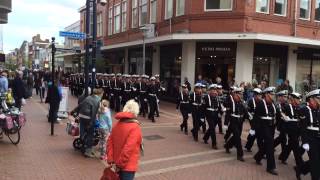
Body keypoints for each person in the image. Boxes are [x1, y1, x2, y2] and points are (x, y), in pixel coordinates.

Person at [106, 100, 143, 180]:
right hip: (127, 166)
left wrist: (111, 160)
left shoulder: (117, 124)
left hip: (115, 163)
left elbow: (109, 142)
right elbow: (128, 149)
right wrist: (119, 165)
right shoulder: (135, 127)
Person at [253, 87, 278, 175]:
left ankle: (257, 157)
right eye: (271, 94)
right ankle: (271, 167)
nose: (273, 96)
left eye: (273, 94)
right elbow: (255, 118)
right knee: (270, 145)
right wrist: (254, 129)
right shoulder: (260, 104)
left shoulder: (273, 104)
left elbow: (276, 116)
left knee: (266, 144)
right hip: (262, 127)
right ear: (267, 94)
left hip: (271, 127)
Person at [71, 88, 103, 157]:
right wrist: (92, 122)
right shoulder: (97, 100)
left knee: (83, 132)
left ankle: (82, 145)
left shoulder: (88, 97)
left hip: (82, 116)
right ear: (100, 94)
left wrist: (73, 111)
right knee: (90, 134)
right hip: (88, 117)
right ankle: (87, 151)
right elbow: (94, 112)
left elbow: (81, 105)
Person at [279, 92, 304, 179]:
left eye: (299, 99)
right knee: (296, 147)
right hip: (290, 130)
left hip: (297, 130)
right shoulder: (286, 107)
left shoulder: (299, 108)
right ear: (293, 99)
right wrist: (285, 118)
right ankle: (300, 165)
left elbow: (301, 120)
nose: (299, 101)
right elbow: (282, 116)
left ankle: (283, 156)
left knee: (291, 145)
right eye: (297, 99)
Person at [299, 89, 320, 180]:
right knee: (315, 161)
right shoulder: (304, 110)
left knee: (316, 160)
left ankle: (300, 169)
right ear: (311, 99)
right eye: (318, 99)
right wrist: (305, 142)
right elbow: (303, 128)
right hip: (310, 138)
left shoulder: (318, 110)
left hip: (318, 137)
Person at [224, 87, 247, 162]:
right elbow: (227, 113)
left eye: (241, 94)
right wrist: (226, 123)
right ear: (235, 94)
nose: (241, 95)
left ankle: (227, 145)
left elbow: (245, 112)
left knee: (236, 136)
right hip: (233, 120)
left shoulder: (242, 102)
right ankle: (240, 155)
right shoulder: (231, 102)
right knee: (237, 138)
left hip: (240, 121)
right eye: (239, 94)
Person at [203, 84, 221, 149]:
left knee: (211, 127)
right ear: (210, 90)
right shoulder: (206, 97)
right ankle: (214, 144)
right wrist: (202, 117)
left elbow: (219, 106)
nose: (214, 91)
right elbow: (203, 108)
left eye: (215, 90)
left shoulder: (217, 97)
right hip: (209, 114)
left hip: (216, 114)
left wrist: (220, 113)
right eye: (213, 90)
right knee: (213, 129)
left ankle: (205, 137)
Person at [244, 88, 262, 152]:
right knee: (258, 134)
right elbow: (247, 111)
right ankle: (261, 151)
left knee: (254, 134)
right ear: (255, 95)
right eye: (258, 95)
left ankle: (248, 146)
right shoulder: (251, 101)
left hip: (259, 120)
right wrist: (250, 117)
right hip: (253, 119)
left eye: (260, 95)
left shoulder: (261, 102)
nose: (260, 96)